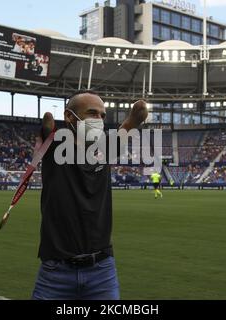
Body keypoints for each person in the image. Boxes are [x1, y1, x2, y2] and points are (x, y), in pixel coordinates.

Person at [32, 91, 148, 300]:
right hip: (56, 271)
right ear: (69, 117)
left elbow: (129, 124)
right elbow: (47, 128)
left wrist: (136, 116)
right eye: (92, 114)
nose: (99, 120)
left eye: (102, 116)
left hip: (101, 270)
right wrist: (47, 129)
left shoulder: (104, 149)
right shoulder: (55, 147)